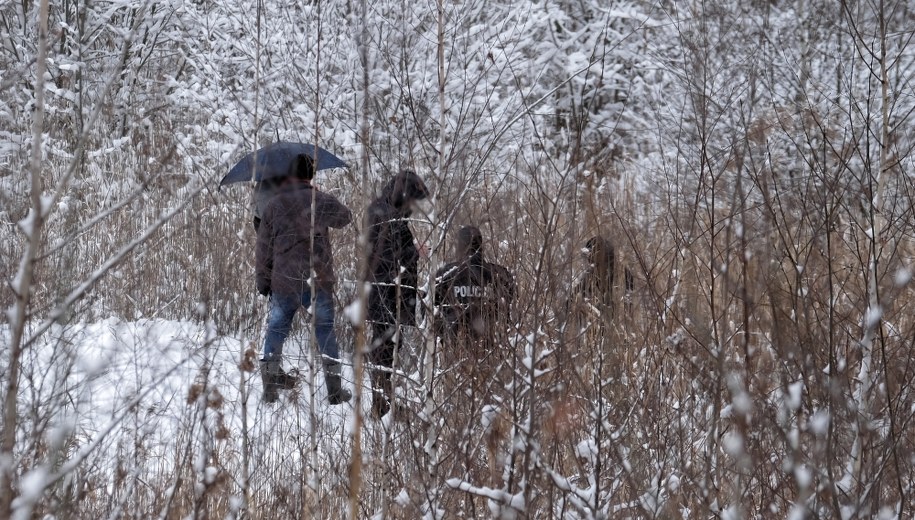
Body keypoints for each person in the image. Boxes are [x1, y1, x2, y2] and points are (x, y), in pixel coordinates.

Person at [255, 154, 353, 404]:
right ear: (311, 174)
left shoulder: (273, 206)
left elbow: (263, 249)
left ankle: (270, 387)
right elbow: (345, 217)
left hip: (283, 281)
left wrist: (263, 283)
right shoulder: (319, 200)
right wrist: (319, 196)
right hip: (317, 279)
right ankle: (334, 391)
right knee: (325, 332)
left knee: (276, 329)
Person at [364, 170, 430, 418]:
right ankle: (381, 408)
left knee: (388, 346)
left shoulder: (384, 211)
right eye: (413, 199)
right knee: (384, 348)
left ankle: (384, 405)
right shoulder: (387, 216)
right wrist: (415, 252)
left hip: (384, 291)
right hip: (385, 292)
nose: (414, 206)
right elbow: (387, 257)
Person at [433, 225, 515, 345]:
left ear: (460, 246)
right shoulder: (498, 273)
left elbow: (430, 309)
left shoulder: (444, 273)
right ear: (481, 246)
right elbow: (511, 307)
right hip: (489, 345)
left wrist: (442, 335)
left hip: (454, 346)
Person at [572, 235, 633, 317]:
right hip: (597, 320)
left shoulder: (622, 272)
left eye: (591, 254)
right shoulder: (591, 274)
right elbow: (577, 297)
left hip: (614, 320)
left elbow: (628, 302)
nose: (588, 259)